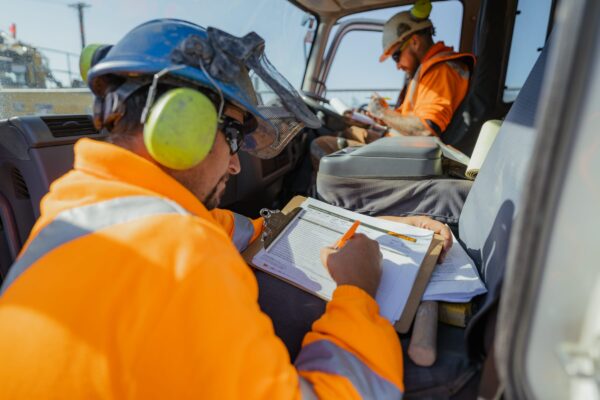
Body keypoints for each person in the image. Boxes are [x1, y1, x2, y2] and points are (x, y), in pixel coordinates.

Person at [0, 19, 451, 398]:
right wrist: (358, 291)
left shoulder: (74, 206)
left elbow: (227, 228)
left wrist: (365, 225)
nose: (236, 164)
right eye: (233, 136)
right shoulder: (183, 256)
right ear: (183, 124)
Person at [310, 1, 475, 166]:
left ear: (415, 42)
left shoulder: (441, 71)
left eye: (396, 56)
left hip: (409, 158)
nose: (397, 66)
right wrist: (381, 117)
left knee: (321, 146)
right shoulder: (426, 72)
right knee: (348, 132)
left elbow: (424, 130)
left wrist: (382, 112)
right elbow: (411, 119)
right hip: (400, 146)